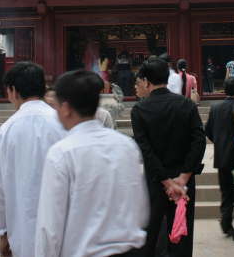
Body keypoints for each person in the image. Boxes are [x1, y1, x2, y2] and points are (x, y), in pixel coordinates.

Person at [34, 70, 148, 257]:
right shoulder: (126, 146)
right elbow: (141, 211)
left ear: (66, 107)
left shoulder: (62, 153)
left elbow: (50, 226)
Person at [131, 57, 206, 257]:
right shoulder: (186, 105)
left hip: (155, 181)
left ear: (146, 81)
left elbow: (145, 150)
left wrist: (165, 181)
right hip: (184, 181)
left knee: (150, 233)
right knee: (181, 231)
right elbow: (199, 141)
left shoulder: (140, 110)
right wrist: (182, 178)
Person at [0, 62, 65, 257]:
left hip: (21, 231)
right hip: (64, 228)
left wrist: (2, 231)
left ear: (13, 91)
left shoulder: (4, 132)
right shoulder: (63, 124)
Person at [205, 77, 234, 241]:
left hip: (221, 156)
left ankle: (226, 224)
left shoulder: (215, 107)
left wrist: (219, 141)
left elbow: (208, 130)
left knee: (226, 193)